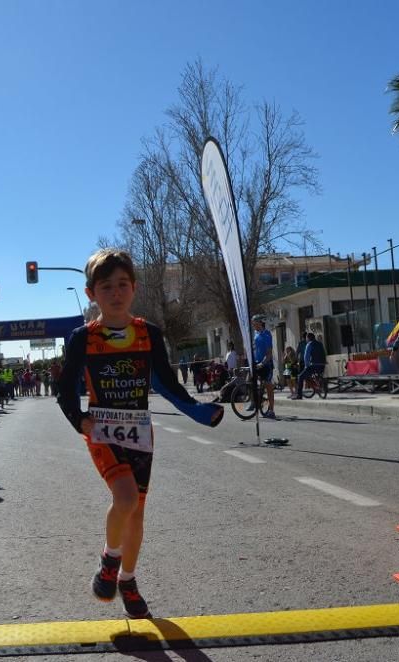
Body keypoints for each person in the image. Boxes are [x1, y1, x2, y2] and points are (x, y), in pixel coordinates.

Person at [57, 249, 224, 620]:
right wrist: (78, 420)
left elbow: (167, 385)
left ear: (133, 288)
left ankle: (128, 581)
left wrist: (200, 410)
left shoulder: (149, 334)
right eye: (106, 287)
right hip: (102, 432)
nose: (115, 294)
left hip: (140, 434)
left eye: (121, 285)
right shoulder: (83, 337)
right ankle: (109, 559)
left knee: (136, 515)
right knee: (126, 497)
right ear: (91, 294)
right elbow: (64, 387)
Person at [251, 315, 276, 418]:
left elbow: (269, 353)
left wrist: (263, 363)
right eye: (252, 324)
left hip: (266, 364)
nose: (253, 326)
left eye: (254, 324)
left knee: (268, 385)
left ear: (260, 323)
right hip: (257, 362)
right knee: (250, 380)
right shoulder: (255, 334)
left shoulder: (266, 335)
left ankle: (271, 410)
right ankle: (257, 400)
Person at [292, 332, 326, 399]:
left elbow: (306, 357)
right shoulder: (320, 343)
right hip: (322, 365)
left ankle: (299, 395)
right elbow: (324, 353)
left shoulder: (309, 344)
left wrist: (306, 366)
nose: (306, 340)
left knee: (300, 377)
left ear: (308, 338)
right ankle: (318, 385)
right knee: (315, 375)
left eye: (306, 338)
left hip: (313, 365)